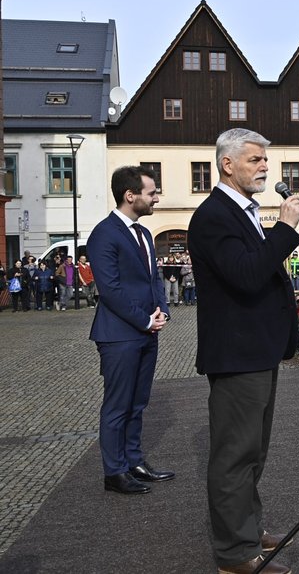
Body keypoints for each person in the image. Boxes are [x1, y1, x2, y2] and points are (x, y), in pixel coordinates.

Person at [188, 128, 299, 574]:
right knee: (235, 456)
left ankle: (248, 528)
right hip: (237, 354)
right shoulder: (214, 216)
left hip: (256, 351)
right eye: (254, 159)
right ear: (227, 164)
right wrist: (285, 229)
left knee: (253, 452)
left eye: (264, 160)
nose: (264, 167)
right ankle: (235, 555)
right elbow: (246, 275)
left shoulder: (242, 212)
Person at [87, 165, 172, 496]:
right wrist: (145, 319)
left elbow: (154, 280)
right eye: (151, 193)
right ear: (130, 195)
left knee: (138, 403)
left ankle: (134, 461)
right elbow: (110, 290)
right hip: (119, 335)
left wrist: (162, 311)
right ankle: (114, 471)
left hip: (146, 333)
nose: (156, 198)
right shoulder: (104, 234)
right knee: (117, 405)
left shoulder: (145, 234)